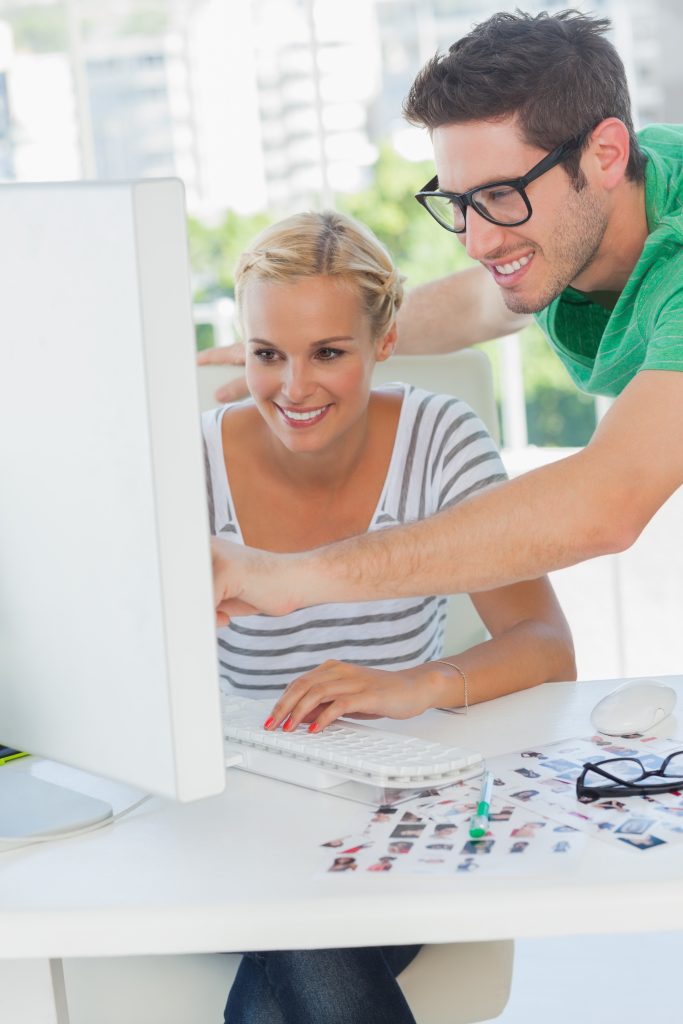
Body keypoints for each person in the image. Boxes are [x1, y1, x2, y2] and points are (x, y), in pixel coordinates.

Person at [207, 10, 683, 647]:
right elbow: (480, 303)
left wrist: (296, 577)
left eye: (502, 194)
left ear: (606, 154)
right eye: (459, 203)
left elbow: (607, 503)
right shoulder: (587, 208)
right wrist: (301, 346)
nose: (477, 240)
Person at [214, 209, 574, 1024]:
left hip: (394, 820)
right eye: (266, 354)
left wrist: (415, 685)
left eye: (328, 353)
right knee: (302, 930)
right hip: (238, 824)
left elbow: (548, 646)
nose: (293, 388)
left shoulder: (440, 441)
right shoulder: (190, 462)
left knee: (305, 936)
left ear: (383, 341)